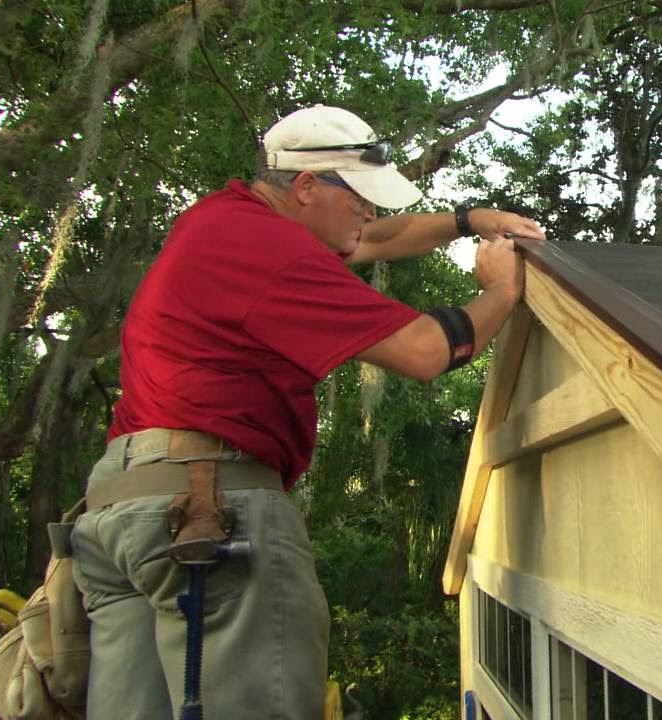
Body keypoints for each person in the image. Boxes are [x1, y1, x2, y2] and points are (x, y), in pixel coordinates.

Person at [70, 105, 544, 719]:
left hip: (122, 514)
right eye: (362, 199)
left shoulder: (221, 220)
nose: (371, 213)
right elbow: (426, 351)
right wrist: (500, 291)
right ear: (307, 186)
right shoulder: (274, 253)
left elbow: (379, 239)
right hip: (204, 507)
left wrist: (469, 219)